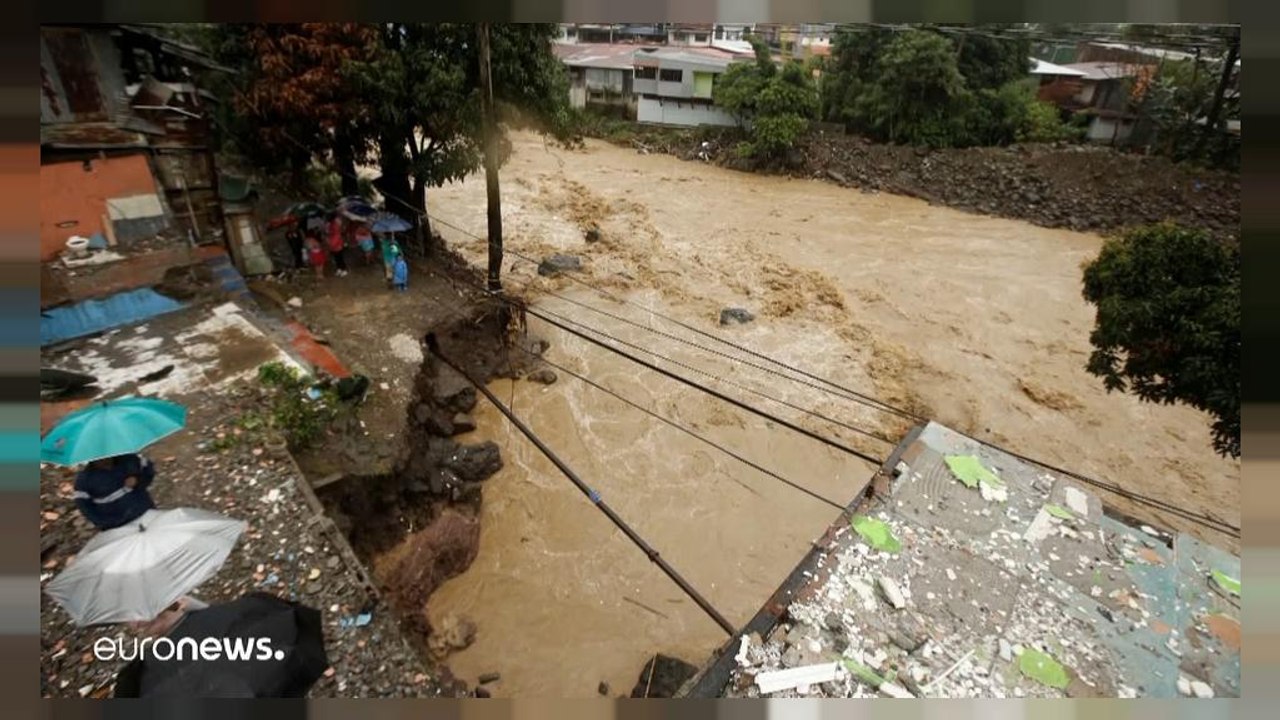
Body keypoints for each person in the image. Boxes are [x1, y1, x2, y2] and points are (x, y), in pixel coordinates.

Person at [72, 453, 156, 530]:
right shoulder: (84, 480)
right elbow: (85, 507)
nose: (104, 459)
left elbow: (148, 472)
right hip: (118, 527)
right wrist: (106, 523)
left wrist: (138, 480)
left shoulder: (129, 459)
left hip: (146, 513)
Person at [326, 213, 348, 277]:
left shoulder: (335, 222)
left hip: (336, 241)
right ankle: (339, 268)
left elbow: (338, 231)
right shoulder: (332, 223)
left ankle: (343, 269)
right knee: (337, 257)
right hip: (333, 240)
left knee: (339, 256)